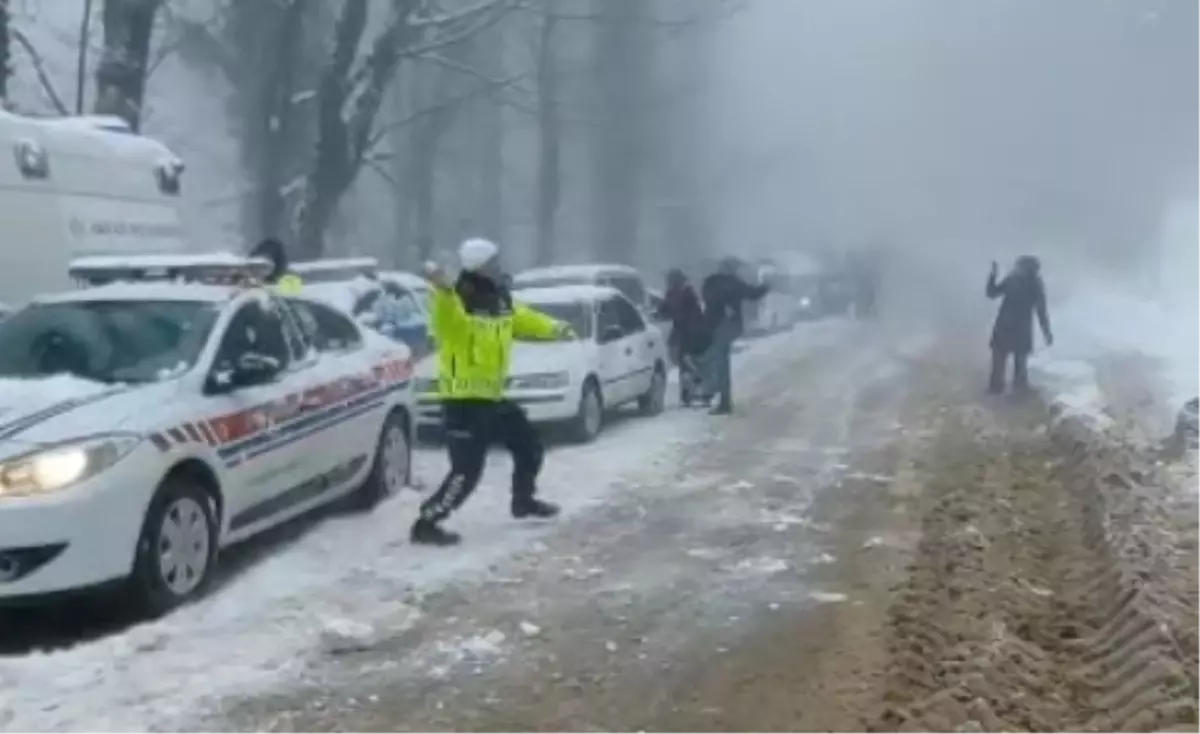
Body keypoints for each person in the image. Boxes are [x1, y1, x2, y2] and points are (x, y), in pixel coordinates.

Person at [412, 238, 573, 546]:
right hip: (463, 402)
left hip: (492, 398)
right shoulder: (456, 303)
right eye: (494, 263)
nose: (499, 268)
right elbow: (445, 314)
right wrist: (443, 289)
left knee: (529, 446)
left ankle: (523, 501)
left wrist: (555, 328)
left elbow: (524, 318)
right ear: (480, 267)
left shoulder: (499, 301)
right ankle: (427, 521)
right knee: (467, 472)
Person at [699, 257, 769, 415]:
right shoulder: (732, 283)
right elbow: (752, 294)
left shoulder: (714, 282)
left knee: (718, 362)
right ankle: (718, 396)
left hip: (719, 326)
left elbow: (707, 299)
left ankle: (718, 397)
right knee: (718, 363)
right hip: (725, 325)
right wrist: (765, 287)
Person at [986, 255, 1052, 394]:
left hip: (1015, 328)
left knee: (1019, 370)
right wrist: (993, 276)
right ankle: (1000, 396)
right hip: (1009, 327)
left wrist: (1047, 332)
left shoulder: (1035, 285)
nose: (1017, 268)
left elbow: (1041, 311)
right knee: (999, 370)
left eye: (1020, 266)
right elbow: (992, 293)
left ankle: (1014, 397)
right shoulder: (1013, 279)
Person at [657, 269, 709, 404]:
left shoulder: (680, 294)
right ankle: (693, 389)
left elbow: (666, 310)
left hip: (686, 333)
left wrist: (660, 313)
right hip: (690, 333)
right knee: (687, 363)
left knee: (684, 362)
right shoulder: (687, 293)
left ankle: (691, 391)